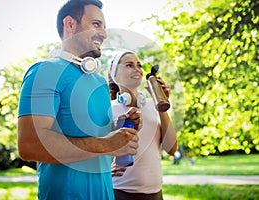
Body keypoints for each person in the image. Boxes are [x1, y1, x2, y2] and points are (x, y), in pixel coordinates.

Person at [17, 1, 141, 199]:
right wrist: (108, 144)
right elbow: (30, 145)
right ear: (70, 24)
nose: (104, 34)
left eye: (104, 27)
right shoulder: (44, 72)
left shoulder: (100, 83)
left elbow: (97, 145)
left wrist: (119, 132)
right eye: (96, 24)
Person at [108, 50, 177, 200]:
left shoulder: (153, 106)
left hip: (156, 193)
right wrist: (106, 170)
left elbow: (171, 148)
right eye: (129, 65)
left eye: (139, 65)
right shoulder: (108, 110)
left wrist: (161, 105)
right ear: (115, 75)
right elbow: (97, 151)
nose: (137, 69)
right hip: (120, 192)